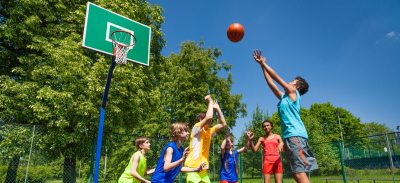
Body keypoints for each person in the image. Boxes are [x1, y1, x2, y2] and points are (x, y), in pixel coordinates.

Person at [252, 50, 318, 183]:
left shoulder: (293, 92)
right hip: (290, 137)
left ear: (297, 85)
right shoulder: (284, 97)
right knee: (296, 173)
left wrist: (264, 63)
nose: (292, 80)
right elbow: (271, 83)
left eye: (294, 80)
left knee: (299, 173)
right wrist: (261, 66)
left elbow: (276, 77)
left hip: (295, 136)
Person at [184, 95, 227, 183]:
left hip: (203, 169)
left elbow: (223, 124)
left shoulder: (210, 131)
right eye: (205, 118)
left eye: (210, 121)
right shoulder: (196, 128)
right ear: (200, 119)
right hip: (192, 167)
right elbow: (209, 117)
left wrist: (218, 108)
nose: (210, 121)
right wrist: (210, 102)